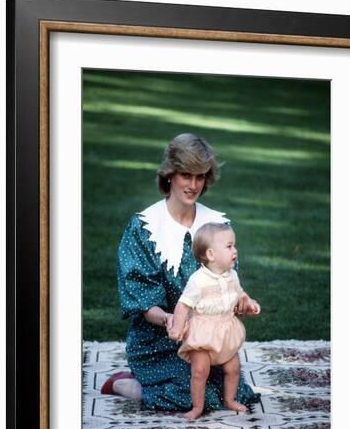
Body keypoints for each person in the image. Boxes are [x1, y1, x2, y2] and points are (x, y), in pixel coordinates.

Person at [101, 133, 261, 412]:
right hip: (158, 342)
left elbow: (227, 283)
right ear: (169, 175)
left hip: (207, 340)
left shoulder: (217, 225)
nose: (193, 185)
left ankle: (158, 386)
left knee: (235, 393)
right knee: (190, 396)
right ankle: (125, 383)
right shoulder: (144, 228)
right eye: (186, 175)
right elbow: (143, 301)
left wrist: (239, 303)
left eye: (200, 176)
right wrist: (170, 319)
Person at [168, 223, 260, 420]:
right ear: (211, 254)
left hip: (225, 330)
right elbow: (183, 305)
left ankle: (229, 399)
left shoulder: (232, 276)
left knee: (233, 368)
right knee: (200, 371)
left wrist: (248, 302)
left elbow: (240, 293)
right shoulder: (198, 280)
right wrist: (177, 327)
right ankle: (197, 407)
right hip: (203, 333)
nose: (235, 250)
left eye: (234, 245)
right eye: (229, 246)